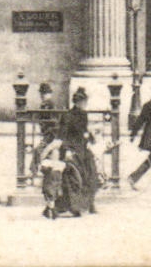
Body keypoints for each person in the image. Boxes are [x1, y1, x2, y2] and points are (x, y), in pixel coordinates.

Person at [59, 87, 101, 215]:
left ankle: (91, 203)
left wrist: (91, 136)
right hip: (72, 149)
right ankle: (75, 206)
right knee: (76, 177)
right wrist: (66, 150)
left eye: (85, 102)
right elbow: (63, 135)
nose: (85, 105)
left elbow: (84, 131)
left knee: (92, 173)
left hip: (83, 149)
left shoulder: (84, 114)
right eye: (83, 102)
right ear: (77, 103)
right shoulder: (67, 115)